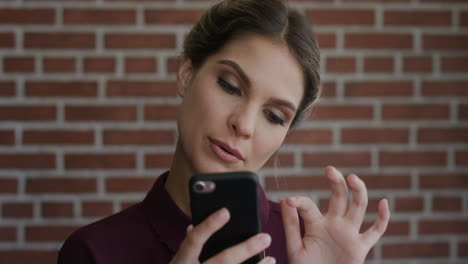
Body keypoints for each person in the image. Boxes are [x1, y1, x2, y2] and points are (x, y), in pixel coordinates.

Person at [58, 0, 390, 263]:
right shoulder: (93, 252)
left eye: (274, 116)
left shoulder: (309, 249)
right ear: (187, 73)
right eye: (230, 85)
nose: (243, 125)